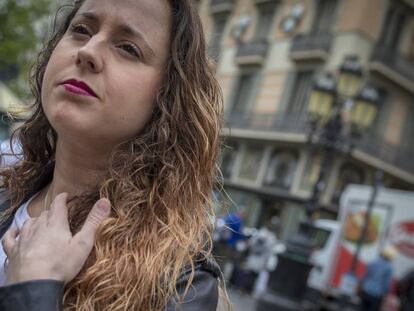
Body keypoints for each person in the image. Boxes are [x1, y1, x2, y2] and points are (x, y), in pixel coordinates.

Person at [0, 0, 227, 310]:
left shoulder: (182, 286)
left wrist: (34, 291)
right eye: (81, 30)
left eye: (128, 48)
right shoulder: (5, 198)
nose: (88, 51)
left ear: (168, 98)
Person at [359, 246, 397, 311]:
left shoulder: (373, 262)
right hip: (376, 295)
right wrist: (386, 295)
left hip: (366, 291)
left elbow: (365, 276)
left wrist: (360, 285)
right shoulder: (389, 268)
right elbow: (386, 284)